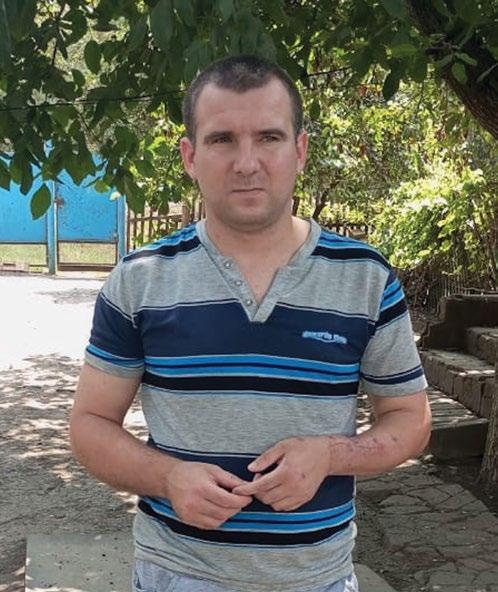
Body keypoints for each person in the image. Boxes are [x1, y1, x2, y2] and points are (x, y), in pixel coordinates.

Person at [70, 55, 431, 592]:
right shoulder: (140, 280)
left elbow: (411, 418)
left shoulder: (365, 279)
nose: (247, 163)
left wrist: (331, 454)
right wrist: (168, 477)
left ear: (299, 150)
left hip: (318, 579)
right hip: (178, 575)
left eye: (268, 137)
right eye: (222, 140)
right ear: (190, 156)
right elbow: (90, 424)